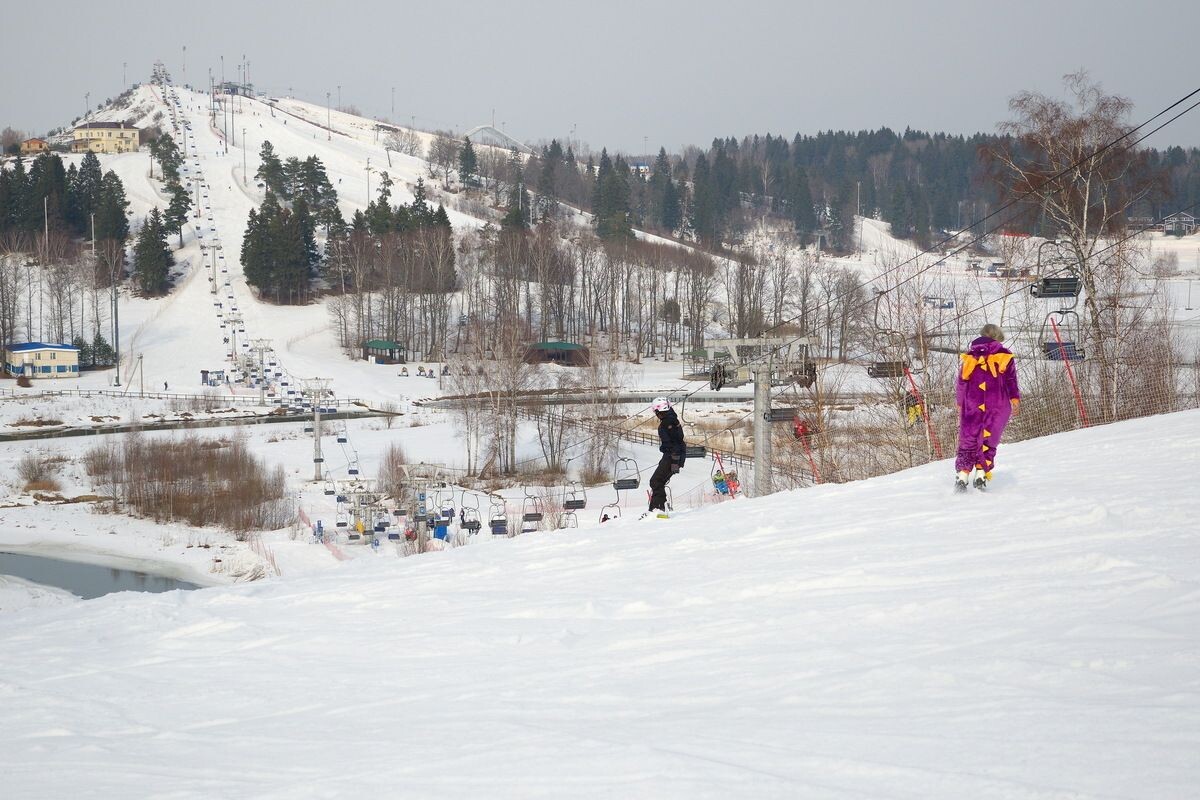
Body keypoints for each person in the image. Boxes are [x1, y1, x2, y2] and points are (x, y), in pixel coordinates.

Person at [956, 323, 1020, 491]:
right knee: (989, 439)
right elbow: (1011, 380)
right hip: (997, 404)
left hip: (972, 403)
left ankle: (962, 476)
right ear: (998, 338)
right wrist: (1015, 400)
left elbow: (962, 381)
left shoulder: (971, 356)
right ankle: (980, 475)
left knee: (969, 439)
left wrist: (959, 402)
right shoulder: (1004, 356)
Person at [648, 397, 685, 513]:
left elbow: (673, 443)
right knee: (658, 481)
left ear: (660, 411)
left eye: (656, 412)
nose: (656, 414)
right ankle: (657, 508)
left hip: (672, 456)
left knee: (656, 481)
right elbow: (679, 440)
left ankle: (658, 509)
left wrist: (673, 459)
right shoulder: (673, 419)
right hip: (675, 456)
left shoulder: (666, 424)